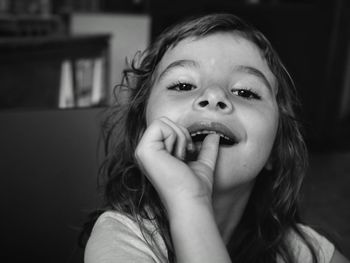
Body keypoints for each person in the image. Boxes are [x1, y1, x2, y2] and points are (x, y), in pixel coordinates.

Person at [81, 13, 349, 263]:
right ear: (144, 134)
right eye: (183, 85)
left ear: (276, 149)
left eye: (245, 92)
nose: (214, 95)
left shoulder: (304, 250)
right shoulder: (120, 237)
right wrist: (189, 199)